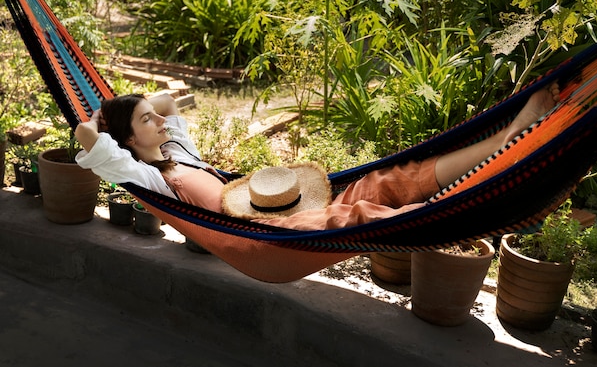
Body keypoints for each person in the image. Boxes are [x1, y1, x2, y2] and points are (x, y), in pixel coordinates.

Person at [74, 86, 559, 282]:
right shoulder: (147, 177)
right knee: (364, 217)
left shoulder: (178, 150)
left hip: (282, 217)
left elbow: (166, 101)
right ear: (127, 140)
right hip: (265, 243)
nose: (160, 118)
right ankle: (477, 208)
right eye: (146, 120)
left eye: (156, 117)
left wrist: (136, 108)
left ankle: (505, 139)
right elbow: (90, 140)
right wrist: (104, 121)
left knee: (383, 181)